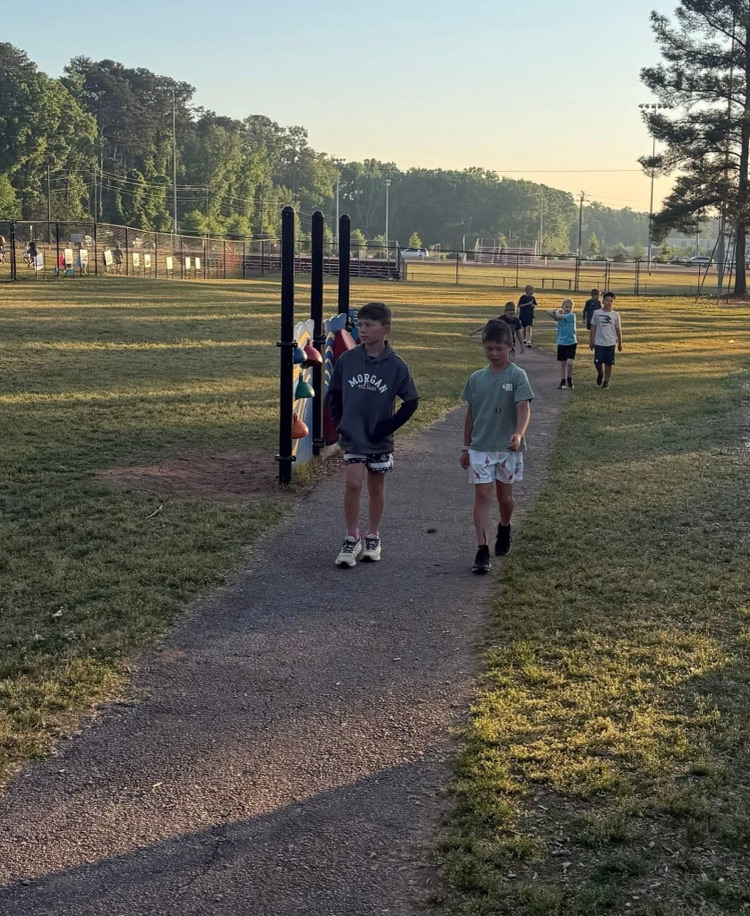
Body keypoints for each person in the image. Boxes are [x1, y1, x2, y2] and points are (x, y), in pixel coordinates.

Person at [328, 301, 420, 568]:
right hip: (354, 435)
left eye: (369, 325)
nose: (363, 330)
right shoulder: (348, 359)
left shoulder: (396, 365)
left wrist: (387, 427)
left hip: (379, 439)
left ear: (386, 329)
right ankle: (351, 536)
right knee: (353, 483)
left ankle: (372, 536)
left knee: (375, 486)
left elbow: (411, 401)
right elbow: (334, 395)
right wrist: (340, 422)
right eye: (360, 325)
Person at [460, 319, 534, 574]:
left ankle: (505, 526)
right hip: (481, 447)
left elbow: (524, 408)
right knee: (482, 495)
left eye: (499, 349)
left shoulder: (517, 376)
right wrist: (465, 447)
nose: (494, 354)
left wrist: (518, 433)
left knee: (505, 497)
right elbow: (470, 414)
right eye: (489, 349)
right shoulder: (476, 379)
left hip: (507, 448)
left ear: (510, 346)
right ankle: (482, 548)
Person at [589, 291, 622, 388]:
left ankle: (606, 381)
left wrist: (620, 342)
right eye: (607, 300)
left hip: (610, 342)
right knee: (597, 361)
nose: (609, 303)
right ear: (603, 301)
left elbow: (618, 329)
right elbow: (593, 327)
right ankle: (600, 373)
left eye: (611, 301)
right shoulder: (597, 313)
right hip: (599, 342)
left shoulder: (615, 315)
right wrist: (591, 341)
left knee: (608, 363)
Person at [547, 298, 577, 389]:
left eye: (570, 307)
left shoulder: (571, 315)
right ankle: (563, 380)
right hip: (561, 342)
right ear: (562, 307)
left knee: (570, 362)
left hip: (571, 342)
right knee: (563, 363)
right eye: (566, 307)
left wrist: (558, 313)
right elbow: (548, 312)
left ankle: (569, 378)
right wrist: (557, 310)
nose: (568, 309)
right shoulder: (560, 314)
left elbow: (559, 317)